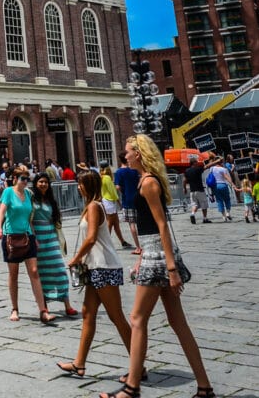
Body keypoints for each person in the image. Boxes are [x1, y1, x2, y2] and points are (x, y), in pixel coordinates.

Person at [100, 135, 216, 398]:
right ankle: (204, 386)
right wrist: (142, 257)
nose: (124, 156)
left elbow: (162, 224)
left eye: (128, 151)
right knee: (177, 322)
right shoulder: (144, 179)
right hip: (154, 253)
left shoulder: (149, 182)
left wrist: (172, 269)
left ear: (138, 154)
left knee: (137, 319)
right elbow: (150, 227)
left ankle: (132, 387)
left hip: (159, 256)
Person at [58, 170, 132, 380]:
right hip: (95, 267)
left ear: (89, 185)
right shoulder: (92, 206)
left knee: (116, 316)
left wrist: (76, 258)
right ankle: (79, 364)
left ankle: (139, 367)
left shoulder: (93, 206)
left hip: (103, 267)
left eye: (81, 184)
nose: (78, 187)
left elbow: (91, 238)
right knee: (88, 313)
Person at [0, 164, 57, 324]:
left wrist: (34, 235)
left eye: (27, 179)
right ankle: (15, 308)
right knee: (13, 274)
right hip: (11, 237)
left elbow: (30, 217)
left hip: (27, 236)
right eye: (23, 179)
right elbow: (1, 211)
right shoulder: (8, 192)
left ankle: (43, 311)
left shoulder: (28, 194)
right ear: (15, 179)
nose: (25, 182)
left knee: (34, 272)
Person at [31, 173, 77, 316]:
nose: (43, 184)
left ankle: (67, 304)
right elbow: (29, 220)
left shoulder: (51, 200)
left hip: (51, 238)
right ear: (35, 183)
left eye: (45, 182)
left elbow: (56, 220)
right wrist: (33, 238)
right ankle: (44, 307)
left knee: (60, 271)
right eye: (40, 182)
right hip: (38, 238)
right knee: (42, 273)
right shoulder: (31, 199)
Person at [100, 163, 131, 248]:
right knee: (110, 223)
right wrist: (119, 202)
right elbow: (112, 192)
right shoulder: (107, 178)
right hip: (109, 201)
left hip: (107, 201)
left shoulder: (102, 177)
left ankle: (122, 241)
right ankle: (107, 243)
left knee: (115, 223)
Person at [114, 154, 142, 251]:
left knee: (132, 224)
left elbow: (117, 187)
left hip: (127, 199)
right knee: (140, 222)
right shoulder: (134, 170)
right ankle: (144, 243)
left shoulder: (119, 172)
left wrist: (122, 191)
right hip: (138, 198)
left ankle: (138, 247)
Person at [206, 155, 238, 221]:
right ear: (221, 162)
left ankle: (223, 216)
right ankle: (228, 213)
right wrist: (233, 185)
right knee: (227, 199)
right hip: (223, 185)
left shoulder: (212, 168)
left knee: (219, 200)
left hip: (215, 186)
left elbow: (208, 166)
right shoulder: (223, 169)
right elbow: (226, 177)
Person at [182, 155, 211, 225]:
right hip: (200, 190)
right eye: (196, 161)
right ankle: (205, 218)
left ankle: (192, 214)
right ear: (194, 163)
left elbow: (184, 180)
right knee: (204, 204)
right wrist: (215, 162)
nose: (197, 162)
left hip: (192, 191)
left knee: (194, 205)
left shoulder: (187, 171)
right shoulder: (198, 169)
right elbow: (206, 166)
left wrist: (184, 188)